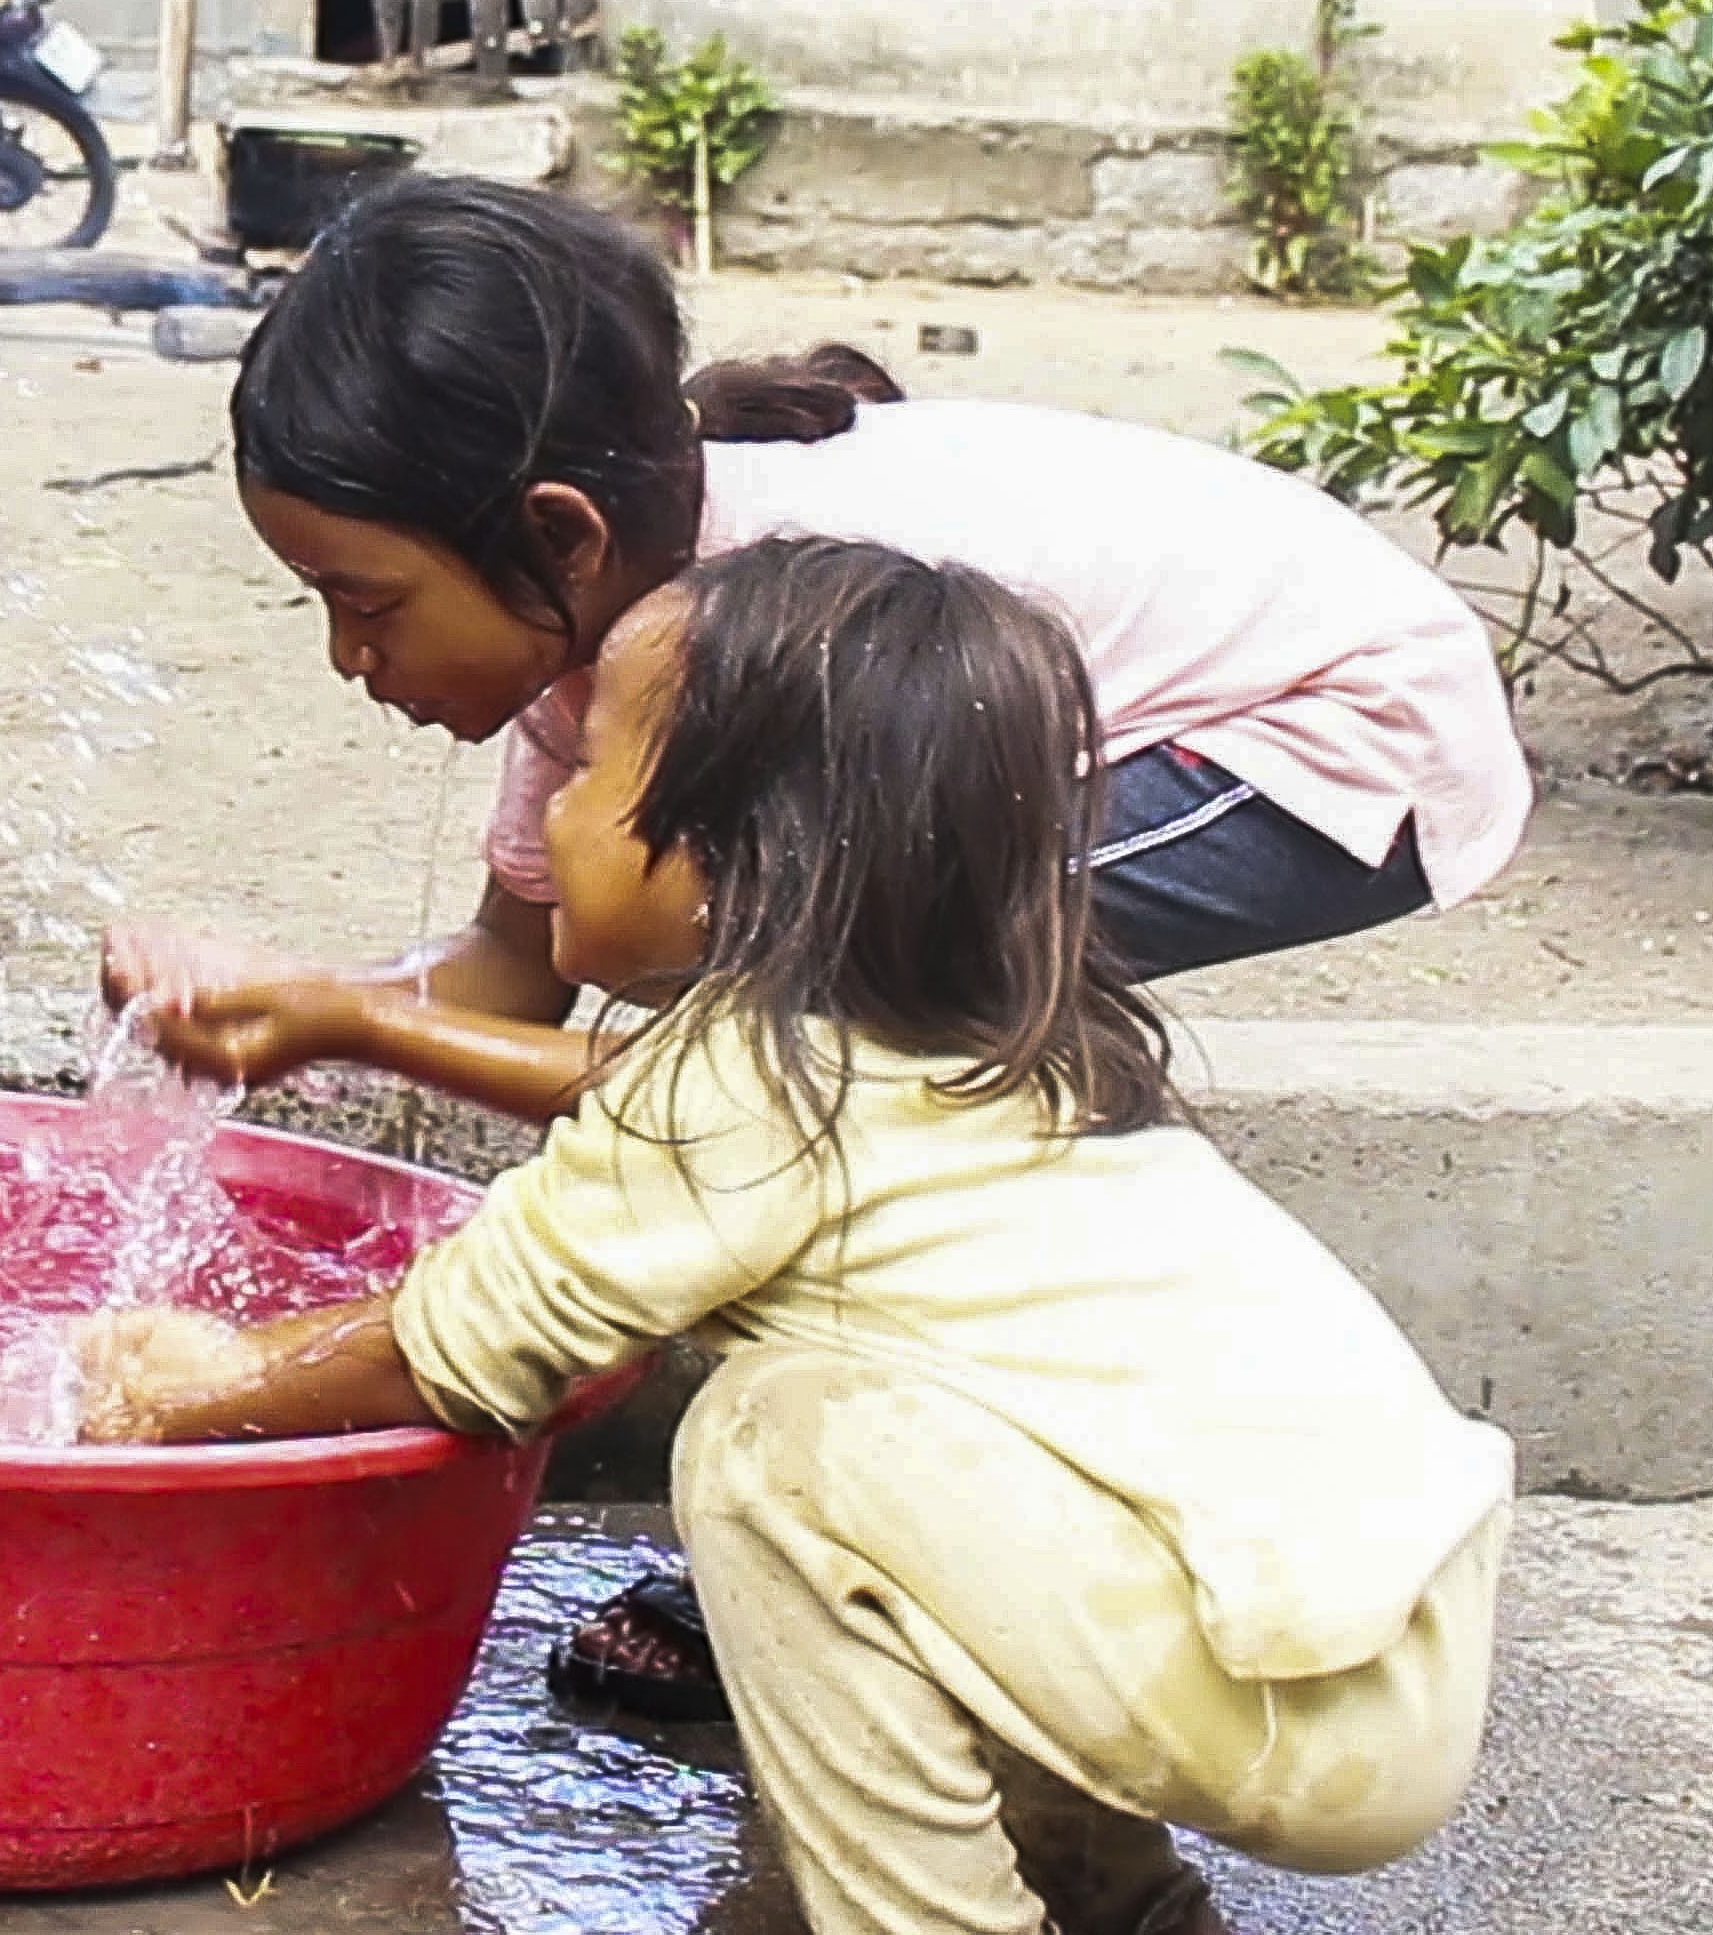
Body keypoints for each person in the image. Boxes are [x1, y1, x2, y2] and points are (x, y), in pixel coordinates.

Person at [99, 173, 1530, 1714]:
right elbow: (514, 981)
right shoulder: (601, 642)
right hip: (1168, 708)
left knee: (862, 1064)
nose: (349, 657)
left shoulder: (794, 641)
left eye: (363, 599)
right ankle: (919, 1523)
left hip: (1320, 730)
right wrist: (289, 1002)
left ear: (557, 537)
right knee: (825, 1051)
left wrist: (349, 1042)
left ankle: (936, 1560)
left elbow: (738, 1092)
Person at [79, 538, 1513, 1935]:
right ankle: (1126, 1912)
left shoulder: (754, 1090)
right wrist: (358, 1019)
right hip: (1367, 1638)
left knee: (776, 1451)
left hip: (1291, 1688)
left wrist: (193, 1388)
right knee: (931, 1521)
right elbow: (643, 1102)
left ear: (729, 853)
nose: (551, 816)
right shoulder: (947, 1044)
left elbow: (465, 1344)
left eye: (587, 772)